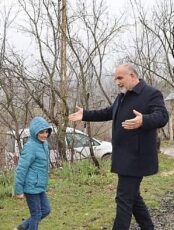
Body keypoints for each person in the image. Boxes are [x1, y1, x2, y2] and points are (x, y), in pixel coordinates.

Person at [69, 63, 169, 230]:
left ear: (133, 76)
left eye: (120, 78)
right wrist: (85, 114)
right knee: (133, 197)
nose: (117, 82)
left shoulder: (151, 94)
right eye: (116, 78)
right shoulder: (123, 96)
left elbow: (162, 116)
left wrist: (143, 120)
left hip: (137, 159)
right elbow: (109, 112)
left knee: (123, 199)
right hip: (123, 158)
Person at [14, 116, 52, 230]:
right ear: (35, 132)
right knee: (36, 215)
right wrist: (18, 190)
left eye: (46, 131)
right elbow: (21, 168)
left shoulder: (43, 144)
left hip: (39, 185)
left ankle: (22, 227)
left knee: (46, 210)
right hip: (31, 186)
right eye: (41, 132)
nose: (45, 135)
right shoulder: (30, 147)